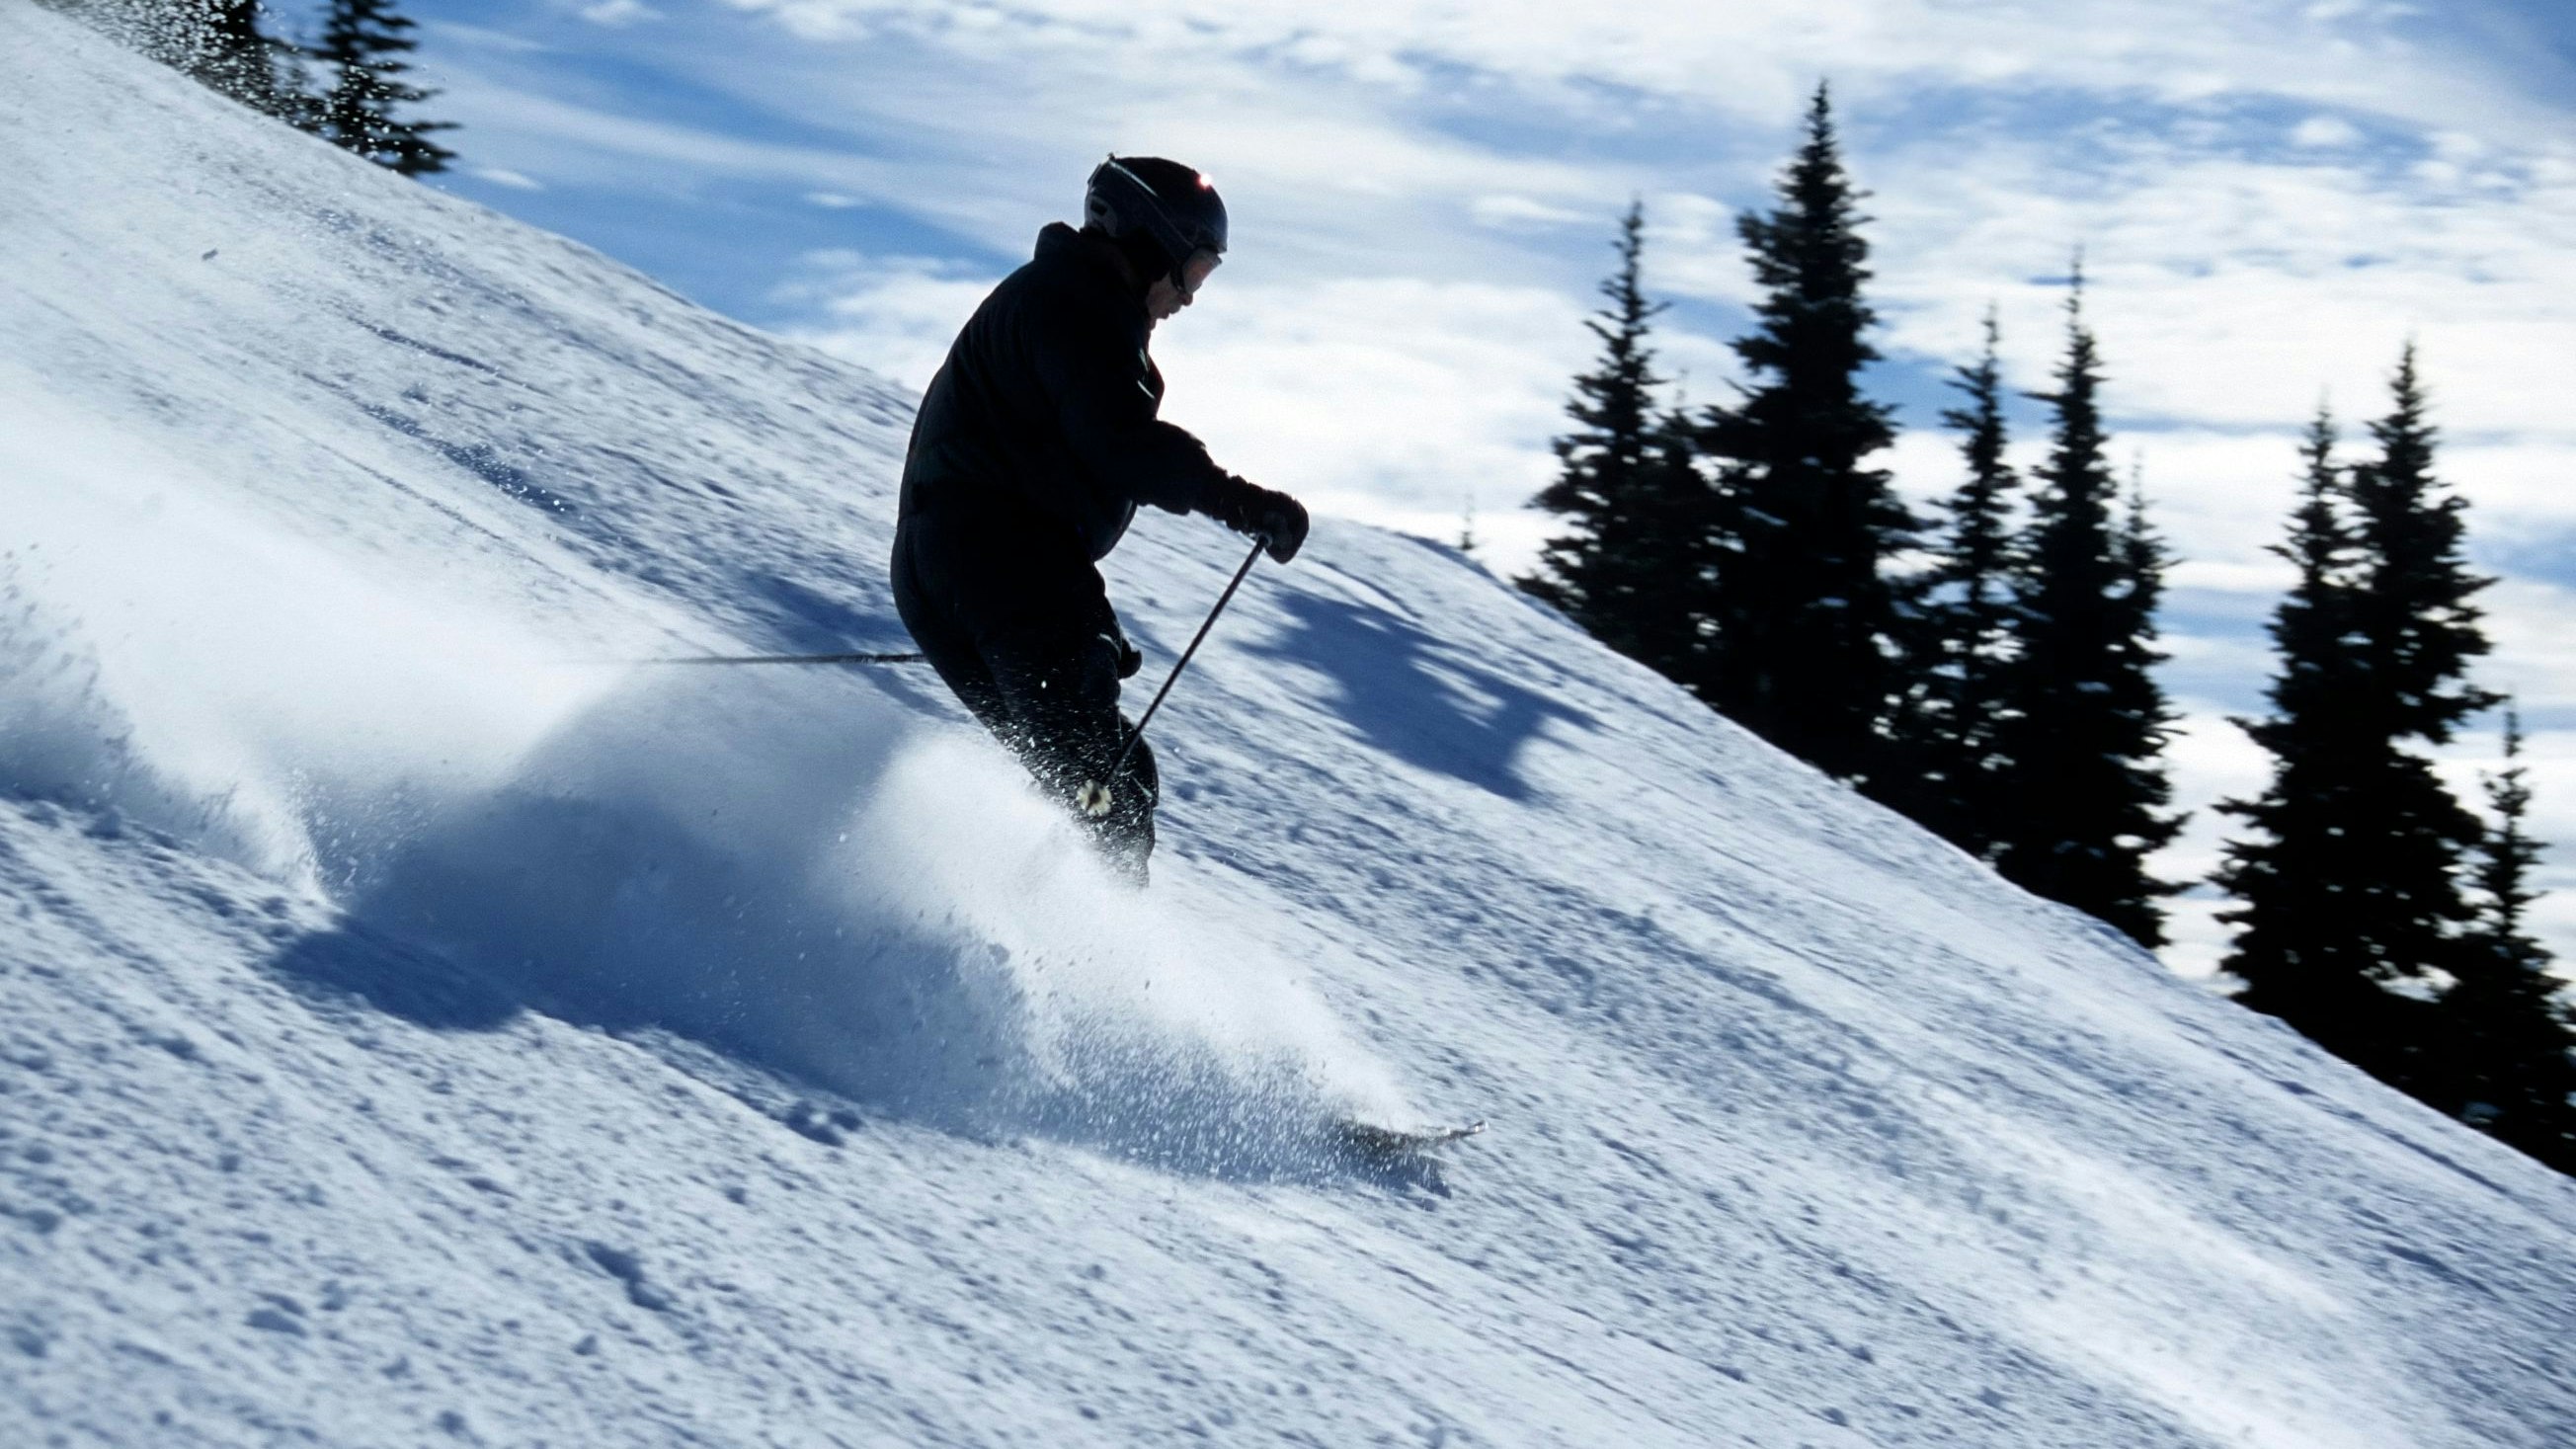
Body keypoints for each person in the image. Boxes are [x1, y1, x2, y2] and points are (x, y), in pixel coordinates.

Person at [891, 155, 1309, 886]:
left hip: (952, 571)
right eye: (1197, 269)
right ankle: (1073, 973)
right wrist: (1240, 500)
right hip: (1001, 561)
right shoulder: (1076, 303)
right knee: (1103, 786)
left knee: (1105, 772)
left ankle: (1007, 929)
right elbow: (1120, 443)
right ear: (1156, 241)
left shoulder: (1060, 301)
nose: (1188, 296)